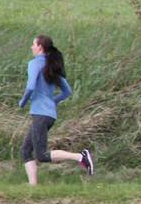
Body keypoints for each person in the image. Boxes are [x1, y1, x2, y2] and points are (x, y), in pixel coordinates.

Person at [18, 35, 94, 185]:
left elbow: (31, 86)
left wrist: (23, 101)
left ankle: (80, 157)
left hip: (40, 114)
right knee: (26, 150)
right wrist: (53, 102)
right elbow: (67, 91)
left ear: (40, 47)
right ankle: (33, 186)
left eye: (33, 44)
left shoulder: (34, 64)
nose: (31, 47)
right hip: (49, 115)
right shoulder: (52, 65)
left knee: (42, 155)